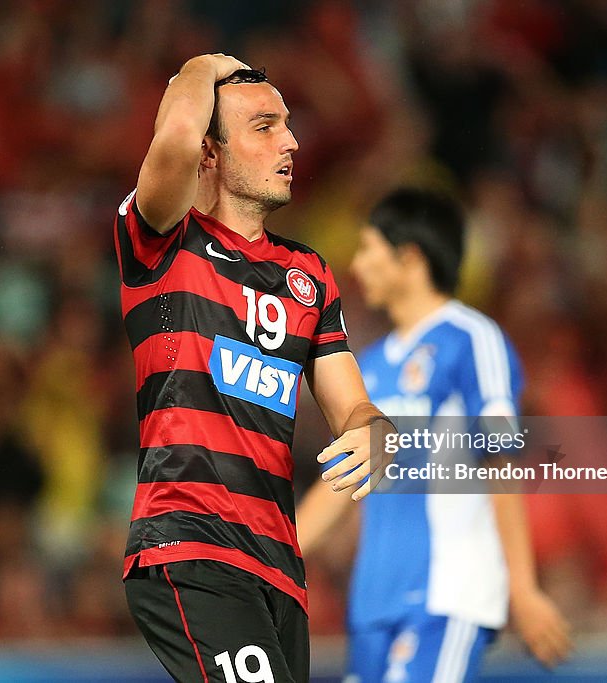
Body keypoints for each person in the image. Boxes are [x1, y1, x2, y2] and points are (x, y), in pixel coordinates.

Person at [114, 53, 393, 683]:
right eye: (264, 126)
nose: (291, 142)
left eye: (287, 125)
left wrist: (374, 429)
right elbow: (178, 134)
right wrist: (202, 66)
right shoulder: (164, 239)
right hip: (191, 545)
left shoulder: (310, 274)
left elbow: (351, 403)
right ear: (211, 154)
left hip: (278, 567)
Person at [297, 189, 573, 682]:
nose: (356, 267)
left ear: (409, 256)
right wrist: (272, 552)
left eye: (367, 249)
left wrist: (523, 589)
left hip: (445, 597)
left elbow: (500, 461)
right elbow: (343, 481)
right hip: (373, 606)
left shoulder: (472, 340)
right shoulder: (371, 366)